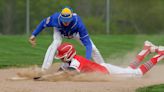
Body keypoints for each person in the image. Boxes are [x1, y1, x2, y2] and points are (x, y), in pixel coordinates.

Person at [34, 41, 164, 80]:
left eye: (62, 56)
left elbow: (65, 73)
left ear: (68, 55)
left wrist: (46, 77)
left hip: (107, 71)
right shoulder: (68, 61)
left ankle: (160, 54)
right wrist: (43, 77)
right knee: (129, 70)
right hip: (102, 67)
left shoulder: (75, 63)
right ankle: (146, 49)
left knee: (137, 74)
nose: (61, 58)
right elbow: (60, 71)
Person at [28, 7, 105, 71]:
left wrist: (87, 61)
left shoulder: (78, 24)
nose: (65, 23)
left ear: (71, 18)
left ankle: (104, 67)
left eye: (67, 20)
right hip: (59, 31)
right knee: (55, 44)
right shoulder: (55, 18)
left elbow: (88, 45)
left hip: (75, 33)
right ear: (60, 17)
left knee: (93, 48)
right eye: (64, 20)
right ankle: (44, 70)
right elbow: (43, 23)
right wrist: (34, 34)